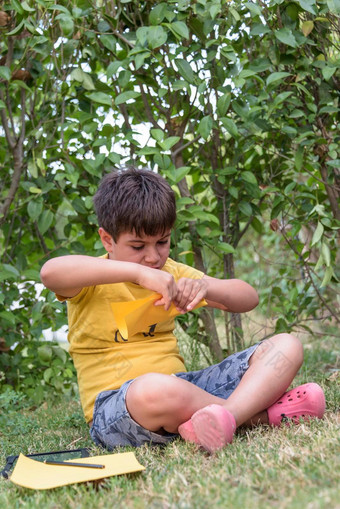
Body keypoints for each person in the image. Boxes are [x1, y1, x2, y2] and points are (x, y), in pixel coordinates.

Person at [40, 167, 325, 453]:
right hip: (120, 407)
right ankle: (259, 417)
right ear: (107, 240)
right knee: (154, 389)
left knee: (286, 346)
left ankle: (224, 417)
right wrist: (137, 275)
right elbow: (50, 273)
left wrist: (206, 289)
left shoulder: (173, 271)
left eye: (162, 242)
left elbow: (247, 298)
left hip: (184, 389)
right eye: (138, 246)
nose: (153, 257)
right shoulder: (93, 277)